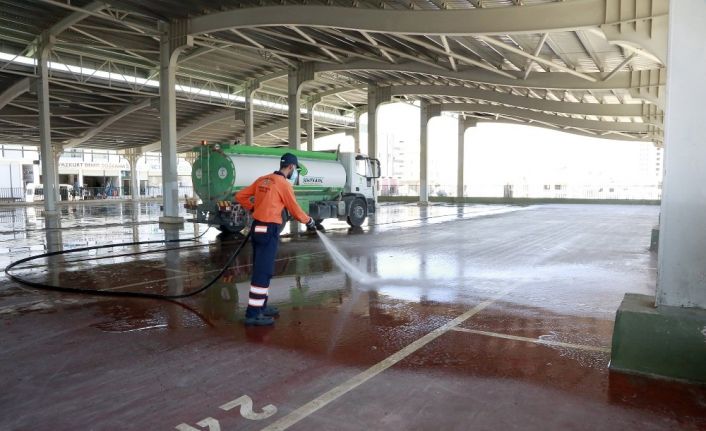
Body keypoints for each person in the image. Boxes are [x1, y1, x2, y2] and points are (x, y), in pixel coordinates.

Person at [235, 152, 316, 326]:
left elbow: (240, 196)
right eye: (295, 170)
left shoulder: (263, 179)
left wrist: (253, 207)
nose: (295, 173)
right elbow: (294, 209)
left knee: (261, 269)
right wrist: (308, 220)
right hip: (269, 230)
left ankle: (261, 307)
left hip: (257, 228)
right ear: (291, 167)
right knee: (263, 272)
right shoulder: (283, 184)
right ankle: (253, 314)